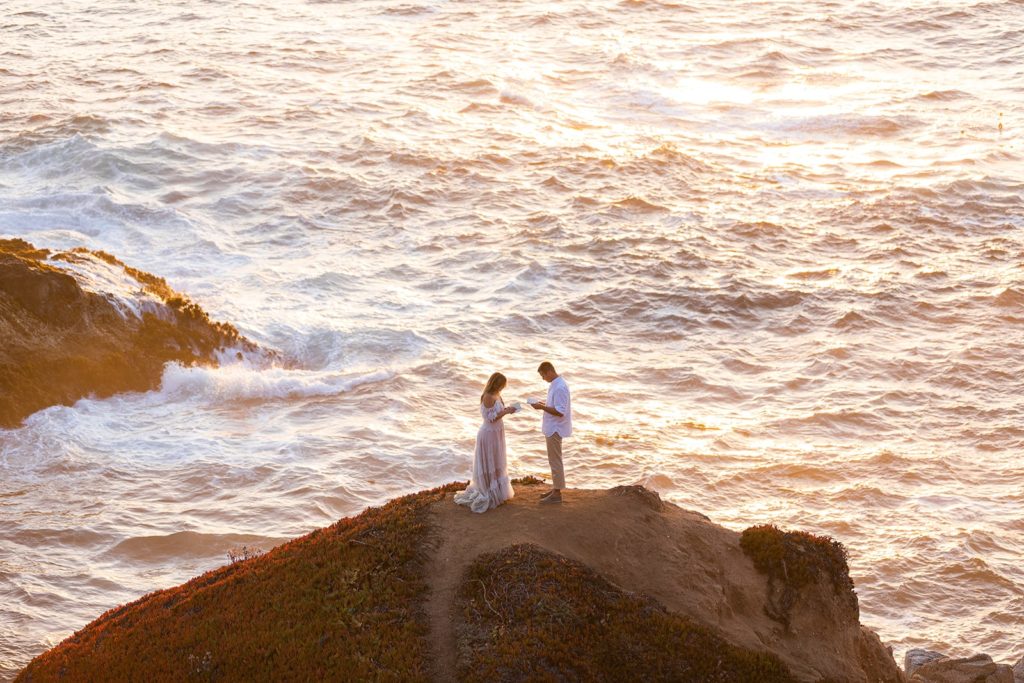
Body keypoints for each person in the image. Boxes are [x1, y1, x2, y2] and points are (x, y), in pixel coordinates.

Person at [453, 372, 516, 513]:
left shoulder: (498, 395)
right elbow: (489, 418)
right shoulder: (487, 396)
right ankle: (488, 489)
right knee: (489, 460)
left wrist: (508, 410)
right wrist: (506, 412)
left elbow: (499, 412)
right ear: (496, 383)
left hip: (497, 432)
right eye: (502, 385)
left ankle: (498, 490)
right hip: (488, 434)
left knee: (497, 459)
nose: (503, 388)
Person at [531, 361, 571, 504]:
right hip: (552, 427)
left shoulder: (560, 387)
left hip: (555, 427)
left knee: (555, 461)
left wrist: (541, 408)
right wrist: (542, 404)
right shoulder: (556, 384)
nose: (543, 379)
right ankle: (555, 489)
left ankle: (557, 493)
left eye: (543, 375)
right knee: (553, 460)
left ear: (549, 371)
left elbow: (560, 412)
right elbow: (554, 405)